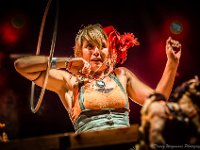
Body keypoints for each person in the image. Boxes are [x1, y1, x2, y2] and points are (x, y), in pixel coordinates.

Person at [14, 23, 182, 134]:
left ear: (108, 52)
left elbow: (158, 101)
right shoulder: (69, 82)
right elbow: (21, 65)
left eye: (102, 46)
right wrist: (65, 62)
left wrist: (172, 63)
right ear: (80, 53)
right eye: (90, 47)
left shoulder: (121, 75)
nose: (97, 51)